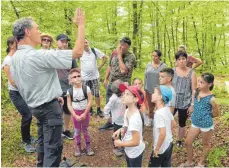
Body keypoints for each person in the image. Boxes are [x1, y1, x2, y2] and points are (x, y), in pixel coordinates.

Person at [10, 8, 85, 167]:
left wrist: (48, 94)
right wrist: (81, 25)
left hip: (35, 108)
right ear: (28, 32)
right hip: (49, 110)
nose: (40, 32)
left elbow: (20, 83)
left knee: (43, 145)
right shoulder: (38, 55)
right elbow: (78, 51)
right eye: (37, 28)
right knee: (53, 150)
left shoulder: (14, 58)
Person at [1, 36, 36, 153]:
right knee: (27, 115)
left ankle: (28, 137)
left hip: (23, 92)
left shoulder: (18, 58)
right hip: (16, 93)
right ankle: (25, 141)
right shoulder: (8, 60)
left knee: (29, 114)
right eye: (17, 43)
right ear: (11, 45)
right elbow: (12, 81)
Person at [180, 73, 220, 167]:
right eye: (198, 81)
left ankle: (201, 163)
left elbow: (216, 113)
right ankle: (189, 161)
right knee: (188, 142)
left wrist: (205, 115)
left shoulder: (212, 99)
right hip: (195, 122)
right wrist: (192, 106)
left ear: (209, 84)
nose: (198, 84)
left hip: (206, 125)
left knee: (205, 144)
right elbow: (194, 101)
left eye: (202, 82)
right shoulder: (196, 91)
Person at [100, 37, 136, 130]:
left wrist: (119, 56)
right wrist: (105, 78)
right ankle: (110, 122)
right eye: (120, 44)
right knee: (110, 102)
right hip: (112, 83)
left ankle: (124, 124)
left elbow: (123, 70)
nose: (121, 46)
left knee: (122, 105)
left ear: (128, 47)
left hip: (123, 86)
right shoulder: (114, 52)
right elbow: (110, 66)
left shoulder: (131, 56)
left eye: (124, 45)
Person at [113, 84, 145, 167]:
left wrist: (120, 144)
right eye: (123, 94)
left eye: (127, 94)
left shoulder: (135, 119)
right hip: (128, 149)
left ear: (136, 99)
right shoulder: (127, 110)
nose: (123, 96)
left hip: (134, 152)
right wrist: (120, 130)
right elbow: (126, 126)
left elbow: (136, 142)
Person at [67, 68, 95, 157]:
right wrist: (75, 115)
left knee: (85, 130)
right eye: (74, 77)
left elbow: (90, 101)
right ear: (71, 80)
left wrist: (85, 113)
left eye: (78, 76)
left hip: (85, 113)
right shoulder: (70, 91)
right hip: (75, 113)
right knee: (77, 131)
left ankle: (88, 146)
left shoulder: (86, 88)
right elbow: (69, 105)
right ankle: (78, 146)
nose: (77, 78)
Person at [172, 51, 197, 148]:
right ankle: (167, 138)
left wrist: (192, 104)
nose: (181, 61)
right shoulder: (172, 71)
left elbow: (194, 90)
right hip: (172, 102)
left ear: (186, 60)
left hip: (185, 102)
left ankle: (179, 140)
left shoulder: (192, 73)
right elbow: (167, 85)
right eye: (179, 59)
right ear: (176, 61)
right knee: (167, 119)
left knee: (182, 123)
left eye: (183, 59)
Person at [56, 33, 78, 140]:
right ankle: (57, 132)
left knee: (67, 110)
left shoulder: (70, 55)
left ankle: (65, 130)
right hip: (54, 88)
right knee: (56, 111)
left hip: (68, 87)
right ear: (57, 42)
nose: (64, 43)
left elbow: (76, 70)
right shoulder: (52, 54)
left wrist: (74, 79)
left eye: (66, 41)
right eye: (62, 41)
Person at [148, 85, 176, 167]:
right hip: (169, 143)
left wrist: (157, 149)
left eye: (154, 93)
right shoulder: (166, 109)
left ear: (160, 97)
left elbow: (162, 133)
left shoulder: (159, 113)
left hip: (161, 148)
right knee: (166, 165)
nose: (152, 94)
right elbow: (173, 123)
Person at [80, 38, 108, 117]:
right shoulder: (80, 52)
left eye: (86, 42)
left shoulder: (94, 50)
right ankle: (90, 109)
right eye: (83, 42)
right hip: (84, 78)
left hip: (95, 77)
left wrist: (100, 66)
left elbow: (105, 57)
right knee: (86, 94)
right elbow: (73, 60)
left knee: (97, 94)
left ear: (88, 42)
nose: (85, 44)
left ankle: (99, 110)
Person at [103, 79, 126, 156]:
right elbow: (106, 108)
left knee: (124, 132)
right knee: (116, 134)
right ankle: (116, 147)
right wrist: (108, 117)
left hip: (125, 118)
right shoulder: (114, 98)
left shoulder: (125, 94)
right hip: (117, 120)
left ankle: (123, 146)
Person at [144, 49, 167, 119]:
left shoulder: (164, 66)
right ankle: (151, 119)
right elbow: (145, 76)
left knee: (159, 106)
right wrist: (145, 87)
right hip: (149, 89)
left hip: (159, 90)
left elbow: (166, 78)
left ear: (159, 57)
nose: (154, 57)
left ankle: (158, 120)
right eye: (153, 56)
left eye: (156, 56)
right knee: (150, 107)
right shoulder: (148, 65)